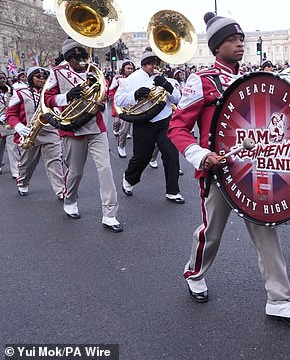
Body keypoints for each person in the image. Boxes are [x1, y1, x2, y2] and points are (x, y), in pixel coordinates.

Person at [167, 12, 290, 329]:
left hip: (255, 170)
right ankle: (195, 273)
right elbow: (177, 127)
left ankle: (279, 300)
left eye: (241, 39)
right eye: (232, 40)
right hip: (219, 173)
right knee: (211, 233)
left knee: (266, 230)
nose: (239, 44)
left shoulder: (253, 80)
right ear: (217, 46)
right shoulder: (202, 81)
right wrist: (199, 153)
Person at [43, 37, 122, 233]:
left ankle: (110, 214)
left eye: (82, 56)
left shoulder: (94, 71)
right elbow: (47, 99)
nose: (79, 61)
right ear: (68, 58)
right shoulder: (57, 73)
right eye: (75, 58)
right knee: (76, 171)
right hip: (72, 129)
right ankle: (70, 200)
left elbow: (104, 94)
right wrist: (67, 96)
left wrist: (100, 100)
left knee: (105, 169)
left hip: (96, 127)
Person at [116, 48, 184, 204]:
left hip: (164, 120)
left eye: (156, 63)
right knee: (142, 157)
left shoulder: (163, 78)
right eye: (151, 64)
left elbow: (177, 99)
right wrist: (135, 94)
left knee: (171, 154)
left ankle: (173, 191)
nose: (154, 67)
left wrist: (167, 85)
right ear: (144, 64)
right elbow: (118, 101)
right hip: (143, 122)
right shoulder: (131, 79)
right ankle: (129, 179)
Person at [6, 66, 65, 198]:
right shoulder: (20, 92)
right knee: (28, 164)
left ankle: (61, 191)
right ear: (31, 78)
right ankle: (22, 182)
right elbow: (11, 113)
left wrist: (58, 112)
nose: (42, 79)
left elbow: (61, 107)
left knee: (54, 162)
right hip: (30, 132)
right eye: (38, 76)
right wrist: (18, 126)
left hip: (50, 132)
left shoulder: (51, 93)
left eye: (44, 76)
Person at [108, 60, 135, 158]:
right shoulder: (117, 79)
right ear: (123, 69)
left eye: (132, 68)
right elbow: (111, 91)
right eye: (128, 68)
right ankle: (121, 146)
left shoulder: (136, 78)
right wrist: (115, 104)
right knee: (122, 128)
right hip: (122, 106)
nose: (130, 70)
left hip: (134, 105)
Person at [0, 73, 20, 177]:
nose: (2, 80)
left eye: (3, 78)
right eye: (0, 78)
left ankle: (15, 171)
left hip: (8, 124)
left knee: (12, 148)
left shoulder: (10, 91)